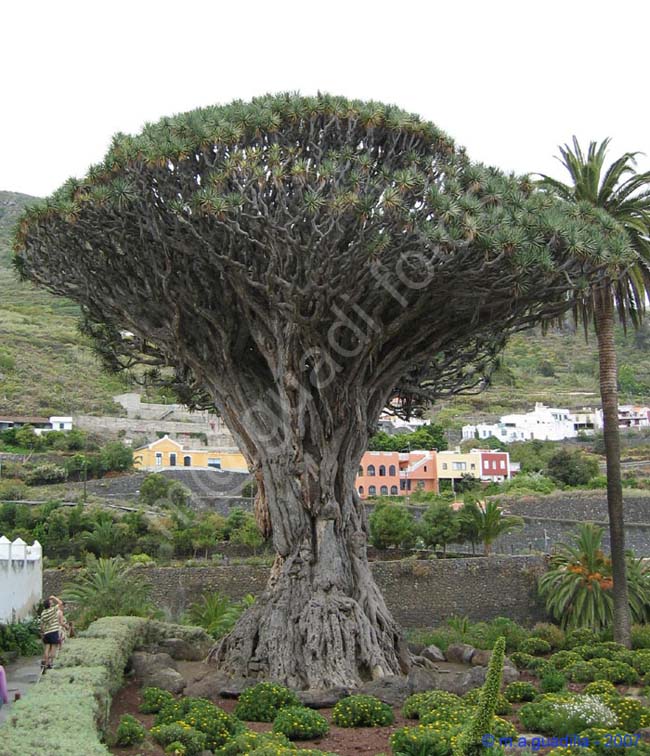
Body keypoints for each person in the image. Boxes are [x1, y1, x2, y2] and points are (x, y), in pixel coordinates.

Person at [39, 595, 63, 670]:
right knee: (53, 649)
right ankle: (50, 663)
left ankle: (45, 663)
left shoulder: (43, 613)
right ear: (49, 605)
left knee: (47, 649)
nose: (52, 603)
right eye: (51, 602)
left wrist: (43, 632)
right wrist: (54, 597)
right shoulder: (52, 610)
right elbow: (60, 603)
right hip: (54, 632)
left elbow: (42, 625)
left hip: (47, 633)